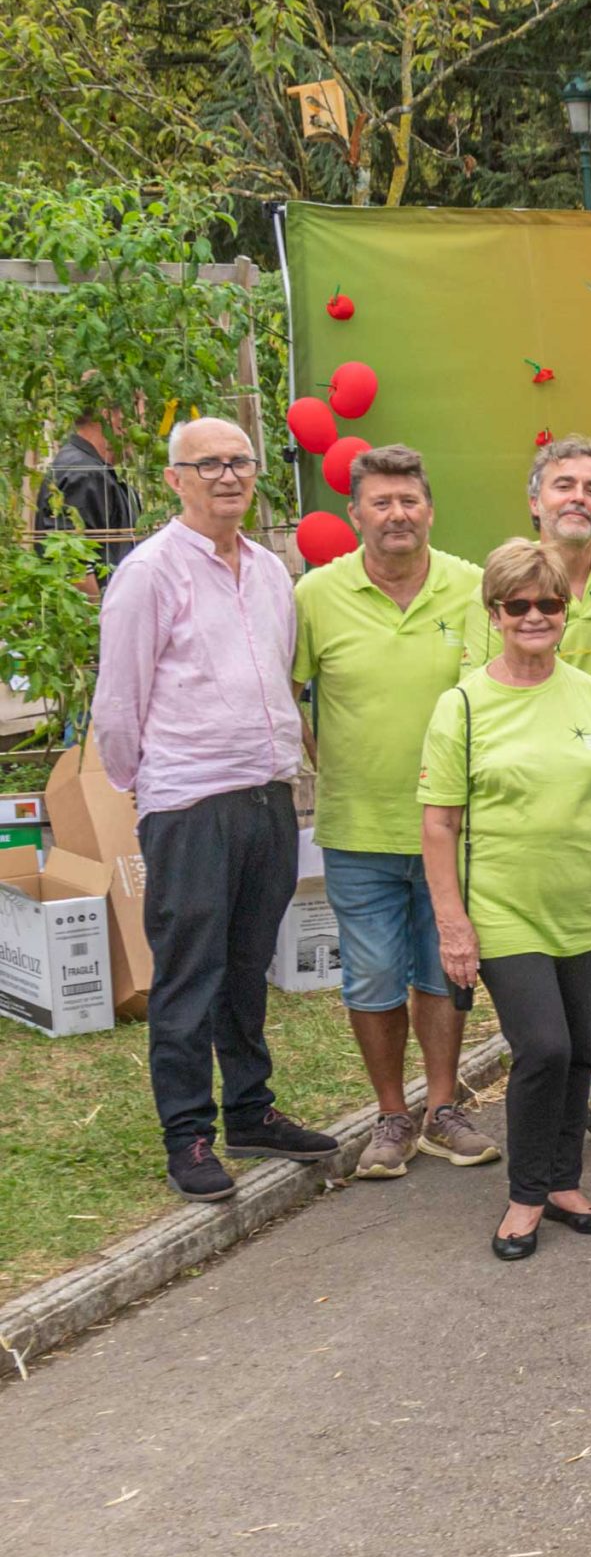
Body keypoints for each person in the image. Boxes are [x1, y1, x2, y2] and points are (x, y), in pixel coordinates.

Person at [95, 416, 337, 1203]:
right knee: (189, 974)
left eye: (240, 461)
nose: (228, 476)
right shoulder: (150, 573)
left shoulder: (270, 569)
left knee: (245, 967)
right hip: (190, 799)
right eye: (209, 465)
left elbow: (279, 676)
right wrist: (152, 783)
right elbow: (120, 701)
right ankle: (188, 1134)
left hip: (266, 793)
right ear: (175, 479)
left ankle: (251, 1110)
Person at [420, 541, 591, 1261]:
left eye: (547, 603)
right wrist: (453, 923)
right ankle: (525, 1194)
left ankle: (563, 1183)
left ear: (565, 609)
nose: (533, 615)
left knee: (580, 1049)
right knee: (544, 1046)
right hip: (503, 910)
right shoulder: (462, 705)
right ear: (494, 612)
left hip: (586, 904)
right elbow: (439, 822)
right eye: (516, 604)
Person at [293, 444, 497, 1181]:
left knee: (445, 969)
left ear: (430, 509)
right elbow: (290, 690)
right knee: (373, 978)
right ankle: (391, 1112)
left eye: (409, 500)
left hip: (453, 826)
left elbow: (492, 696)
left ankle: (443, 1107)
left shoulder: (473, 587)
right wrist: (327, 759)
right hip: (358, 827)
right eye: (380, 502)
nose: (397, 513)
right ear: (356, 515)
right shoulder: (316, 595)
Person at [468, 435, 591, 1158]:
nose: (578, 498)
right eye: (563, 484)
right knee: (538, 986)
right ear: (534, 499)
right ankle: (551, 1103)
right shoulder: (494, 583)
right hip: (519, 808)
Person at [38, 409, 141, 581]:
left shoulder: (92, 469)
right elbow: (72, 563)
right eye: (135, 407)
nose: (140, 423)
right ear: (106, 413)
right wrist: (101, 607)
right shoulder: (84, 473)